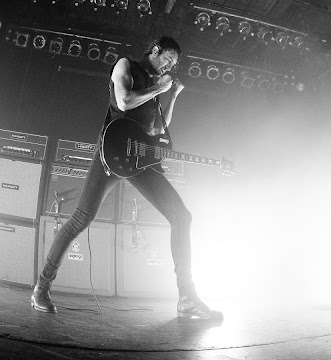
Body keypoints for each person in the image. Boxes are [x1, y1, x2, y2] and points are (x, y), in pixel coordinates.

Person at [31, 36, 222, 319]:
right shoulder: (126, 66)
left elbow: (158, 128)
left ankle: (187, 298)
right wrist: (158, 87)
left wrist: (172, 96)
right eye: (168, 59)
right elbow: (124, 100)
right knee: (81, 218)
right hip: (111, 153)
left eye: (174, 64)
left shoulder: (157, 85)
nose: (169, 66)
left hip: (140, 160)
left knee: (181, 216)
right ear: (154, 50)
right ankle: (41, 288)